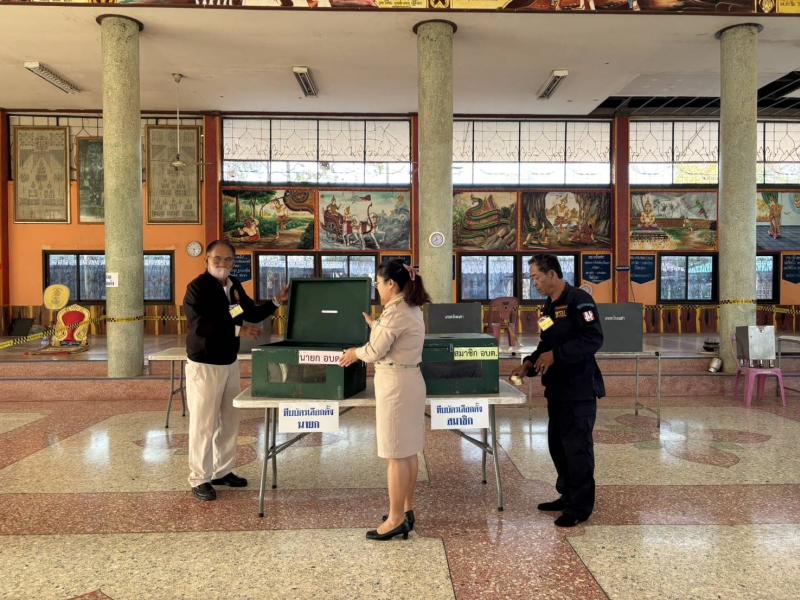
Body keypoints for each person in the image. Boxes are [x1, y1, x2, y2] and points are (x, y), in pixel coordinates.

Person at [183, 240, 288, 501]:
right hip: (205, 364)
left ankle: (222, 471)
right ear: (206, 260)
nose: (223, 263)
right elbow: (202, 325)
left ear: (233, 261)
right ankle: (199, 478)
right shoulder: (197, 288)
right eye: (217, 258)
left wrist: (276, 301)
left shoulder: (233, 286)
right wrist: (239, 330)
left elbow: (250, 312)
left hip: (229, 361)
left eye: (228, 259)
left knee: (229, 420)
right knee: (204, 424)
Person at [510, 254, 604, 528]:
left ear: (552, 274)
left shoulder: (580, 301)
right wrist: (529, 363)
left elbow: (593, 338)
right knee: (558, 446)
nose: (534, 282)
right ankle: (567, 495)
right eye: (532, 278)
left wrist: (557, 355)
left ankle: (580, 507)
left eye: (536, 277)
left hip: (579, 388)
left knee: (577, 448)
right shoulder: (547, 307)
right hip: (558, 388)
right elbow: (546, 343)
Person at [339, 259, 430, 540]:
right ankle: (406, 509)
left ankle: (395, 519)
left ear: (391, 284)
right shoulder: (409, 307)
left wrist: (354, 353)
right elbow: (392, 337)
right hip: (409, 380)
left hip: (397, 386)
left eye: (378, 283)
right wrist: (376, 324)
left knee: (395, 455)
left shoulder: (396, 312)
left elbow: (375, 351)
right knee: (408, 452)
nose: (377, 288)